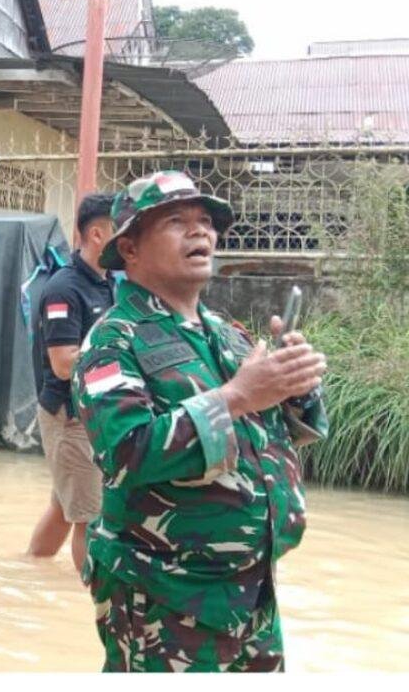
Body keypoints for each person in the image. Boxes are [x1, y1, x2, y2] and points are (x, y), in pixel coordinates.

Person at [71, 170, 329, 672]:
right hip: (164, 596)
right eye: (176, 221)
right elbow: (127, 452)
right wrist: (235, 396)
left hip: (253, 591)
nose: (201, 233)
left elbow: (281, 434)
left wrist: (296, 388)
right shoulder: (113, 340)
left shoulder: (228, 334)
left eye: (206, 221)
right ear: (129, 249)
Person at [27, 192, 115, 573]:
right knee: (89, 517)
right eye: (122, 229)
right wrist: (121, 358)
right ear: (97, 234)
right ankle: (90, 599)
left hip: (92, 413)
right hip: (71, 417)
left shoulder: (105, 282)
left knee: (65, 507)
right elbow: (64, 365)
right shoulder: (64, 289)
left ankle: (32, 569)